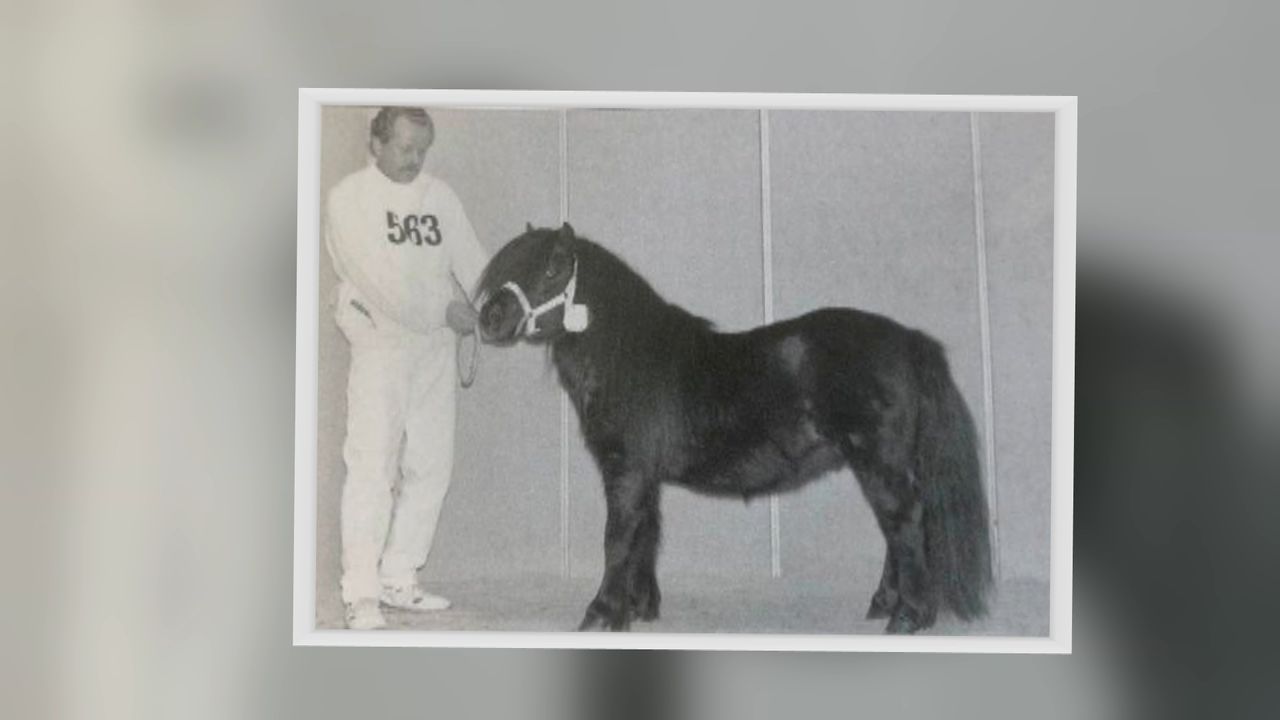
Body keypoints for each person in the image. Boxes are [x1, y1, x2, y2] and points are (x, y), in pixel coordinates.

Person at [324, 106, 488, 630]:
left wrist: (498, 305)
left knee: (431, 466)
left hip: (433, 350)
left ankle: (399, 576)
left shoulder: (439, 197)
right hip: (380, 343)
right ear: (376, 144)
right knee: (371, 466)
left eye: (423, 149)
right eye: (405, 148)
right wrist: (444, 310)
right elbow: (377, 281)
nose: (415, 159)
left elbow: (474, 264)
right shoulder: (349, 198)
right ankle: (361, 593)